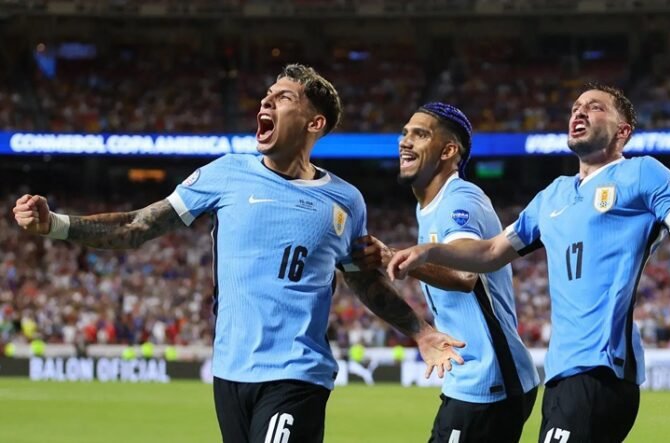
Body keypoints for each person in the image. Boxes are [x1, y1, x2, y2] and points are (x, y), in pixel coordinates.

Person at [13, 63, 465, 443]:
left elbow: (364, 281)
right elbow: (138, 226)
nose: (266, 103)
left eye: (284, 97)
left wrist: (420, 331)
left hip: (297, 374)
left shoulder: (345, 201)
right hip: (230, 375)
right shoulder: (225, 173)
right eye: (267, 96)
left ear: (315, 124)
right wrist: (56, 224)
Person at [387, 83, 670, 442]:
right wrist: (429, 252)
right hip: (560, 374)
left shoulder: (643, 174)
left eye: (595, 107)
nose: (579, 112)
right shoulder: (553, 196)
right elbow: (489, 252)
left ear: (622, 132)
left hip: (602, 370)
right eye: (576, 107)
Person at [352, 102, 538, 442]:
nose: (404, 141)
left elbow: (466, 276)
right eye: (405, 132)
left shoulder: (459, 200)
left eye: (420, 134)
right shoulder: (429, 207)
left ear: (449, 150)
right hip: (477, 378)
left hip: (489, 380)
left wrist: (392, 257)